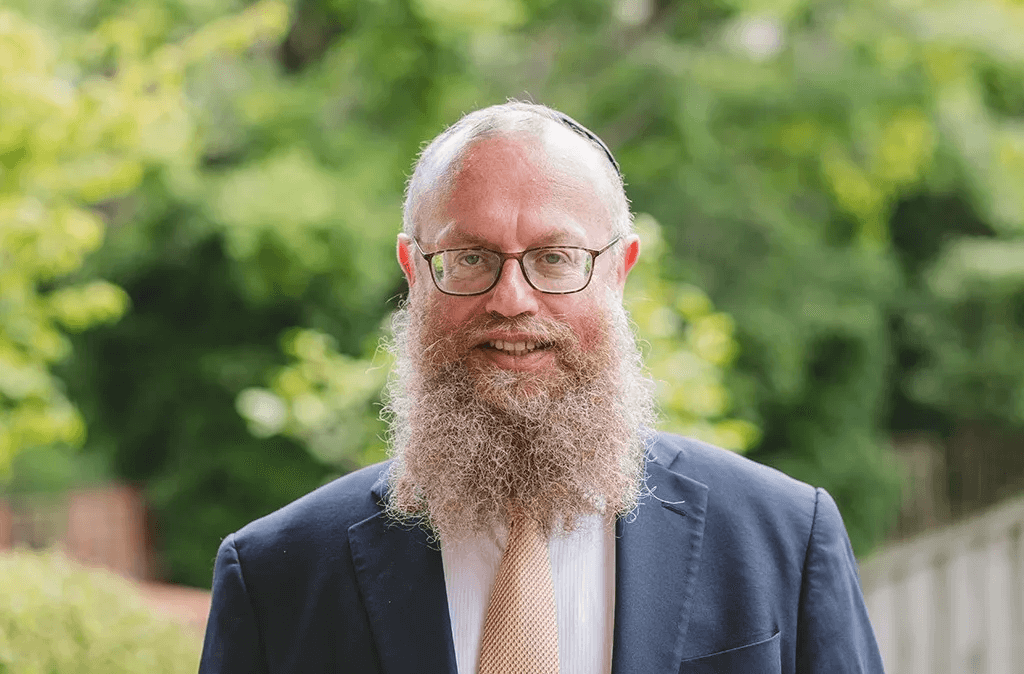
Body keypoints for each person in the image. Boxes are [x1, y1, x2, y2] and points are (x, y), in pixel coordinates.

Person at [198, 102, 885, 674]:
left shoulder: (784, 539)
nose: (512, 299)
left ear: (620, 269)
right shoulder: (275, 577)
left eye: (555, 258)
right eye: (470, 258)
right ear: (414, 270)